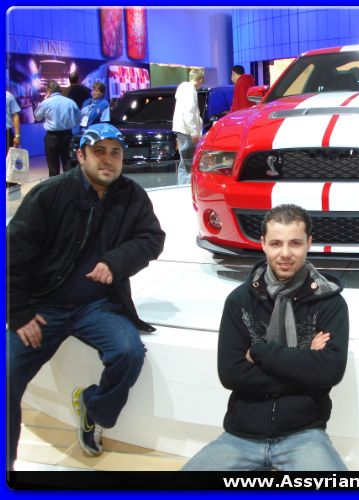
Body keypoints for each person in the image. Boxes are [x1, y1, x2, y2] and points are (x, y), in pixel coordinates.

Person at [6, 123, 166, 470]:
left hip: (96, 306)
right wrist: (18, 313)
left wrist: (115, 262)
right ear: (80, 155)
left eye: (115, 153)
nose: (108, 160)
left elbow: (152, 239)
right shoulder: (49, 195)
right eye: (99, 152)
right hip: (41, 308)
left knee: (128, 352)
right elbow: (12, 255)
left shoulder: (132, 196)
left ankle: (93, 409)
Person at [183, 204, 349, 471]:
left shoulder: (329, 302)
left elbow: (330, 372)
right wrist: (305, 366)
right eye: (276, 243)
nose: (285, 253)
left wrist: (259, 352)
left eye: (295, 243)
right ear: (263, 244)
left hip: (304, 435)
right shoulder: (239, 301)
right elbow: (231, 374)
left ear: (309, 243)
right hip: (241, 435)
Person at [33, 81, 80, 177]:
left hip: (52, 137)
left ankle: (55, 185)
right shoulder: (70, 102)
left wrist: (44, 100)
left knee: (53, 166)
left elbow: (37, 117)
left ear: (49, 90)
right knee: (68, 163)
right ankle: (70, 184)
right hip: (67, 135)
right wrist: (71, 124)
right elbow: (78, 117)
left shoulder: (46, 103)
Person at [172, 68, 204, 185]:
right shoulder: (190, 90)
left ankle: (182, 186)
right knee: (189, 163)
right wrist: (194, 132)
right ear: (200, 80)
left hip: (182, 131)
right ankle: (186, 188)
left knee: (184, 162)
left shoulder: (182, 89)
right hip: (187, 132)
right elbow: (189, 112)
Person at [6, 90, 22, 190]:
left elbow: (15, 115)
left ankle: (12, 186)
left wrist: (17, 135)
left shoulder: (8, 96)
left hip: (6, 132)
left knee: (10, 160)